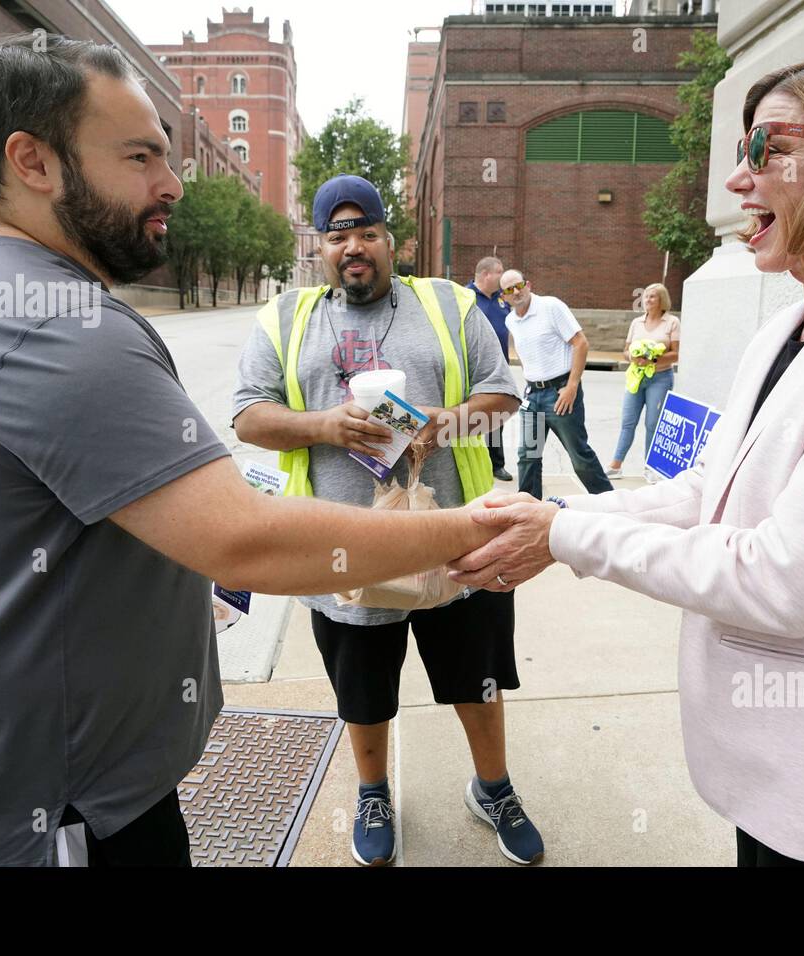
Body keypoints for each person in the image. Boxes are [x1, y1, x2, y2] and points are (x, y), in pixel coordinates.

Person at [0, 35, 501, 868]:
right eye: (141, 156)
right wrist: (475, 532)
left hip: (26, 788)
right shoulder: (56, 327)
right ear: (32, 162)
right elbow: (245, 537)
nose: (173, 183)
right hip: (42, 813)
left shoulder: (3, 290)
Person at [450, 46, 804, 867]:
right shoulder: (783, 330)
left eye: (768, 149)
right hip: (777, 777)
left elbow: (783, 577)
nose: (737, 180)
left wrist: (562, 537)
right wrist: (556, 516)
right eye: (739, 153)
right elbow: (707, 493)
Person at [231, 175, 543, 867]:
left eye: (366, 232)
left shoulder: (449, 304)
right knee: (363, 692)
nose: (354, 248)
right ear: (320, 247)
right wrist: (325, 426)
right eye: (338, 236)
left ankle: (493, 788)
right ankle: (373, 793)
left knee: (476, 678)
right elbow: (248, 414)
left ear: (389, 240)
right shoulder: (286, 319)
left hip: (454, 537)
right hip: (344, 552)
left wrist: (442, 423)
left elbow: (503, 397)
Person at [500, 270, 614, 500]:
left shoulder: (551, 307)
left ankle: (612, 504)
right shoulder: (510, 320)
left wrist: (572, 386)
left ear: (528, 284)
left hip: (560, 393)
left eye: (519, 285)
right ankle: (528, 507)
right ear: (504, 296)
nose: (517, 291)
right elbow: (525, 353)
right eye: (510, 289)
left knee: (579, 457)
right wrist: (530, 379)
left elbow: (580, 343)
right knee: (527, 456)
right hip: (533, 395)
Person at [607, 283, 680, 477]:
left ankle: (650, 467)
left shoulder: (671, 322)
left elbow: (676, 354)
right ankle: (615, 466)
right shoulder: (637, 323)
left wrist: (653, 358)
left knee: (652, 423)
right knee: (628, 422)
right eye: (646, 296)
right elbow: (625, 350)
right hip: (636, 378)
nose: (647, 300)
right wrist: (632, 357)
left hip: (660, 378)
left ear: (662, 300)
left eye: (652, 296)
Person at [467, 255, 516, 482]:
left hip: (499, 368)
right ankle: (470, 462)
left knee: (496, 417)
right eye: (500, 272)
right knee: (471, 417)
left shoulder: (502, 299)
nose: (503, 276)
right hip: (471, 369)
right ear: (487, 274)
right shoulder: (465, 296)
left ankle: (497, 464)